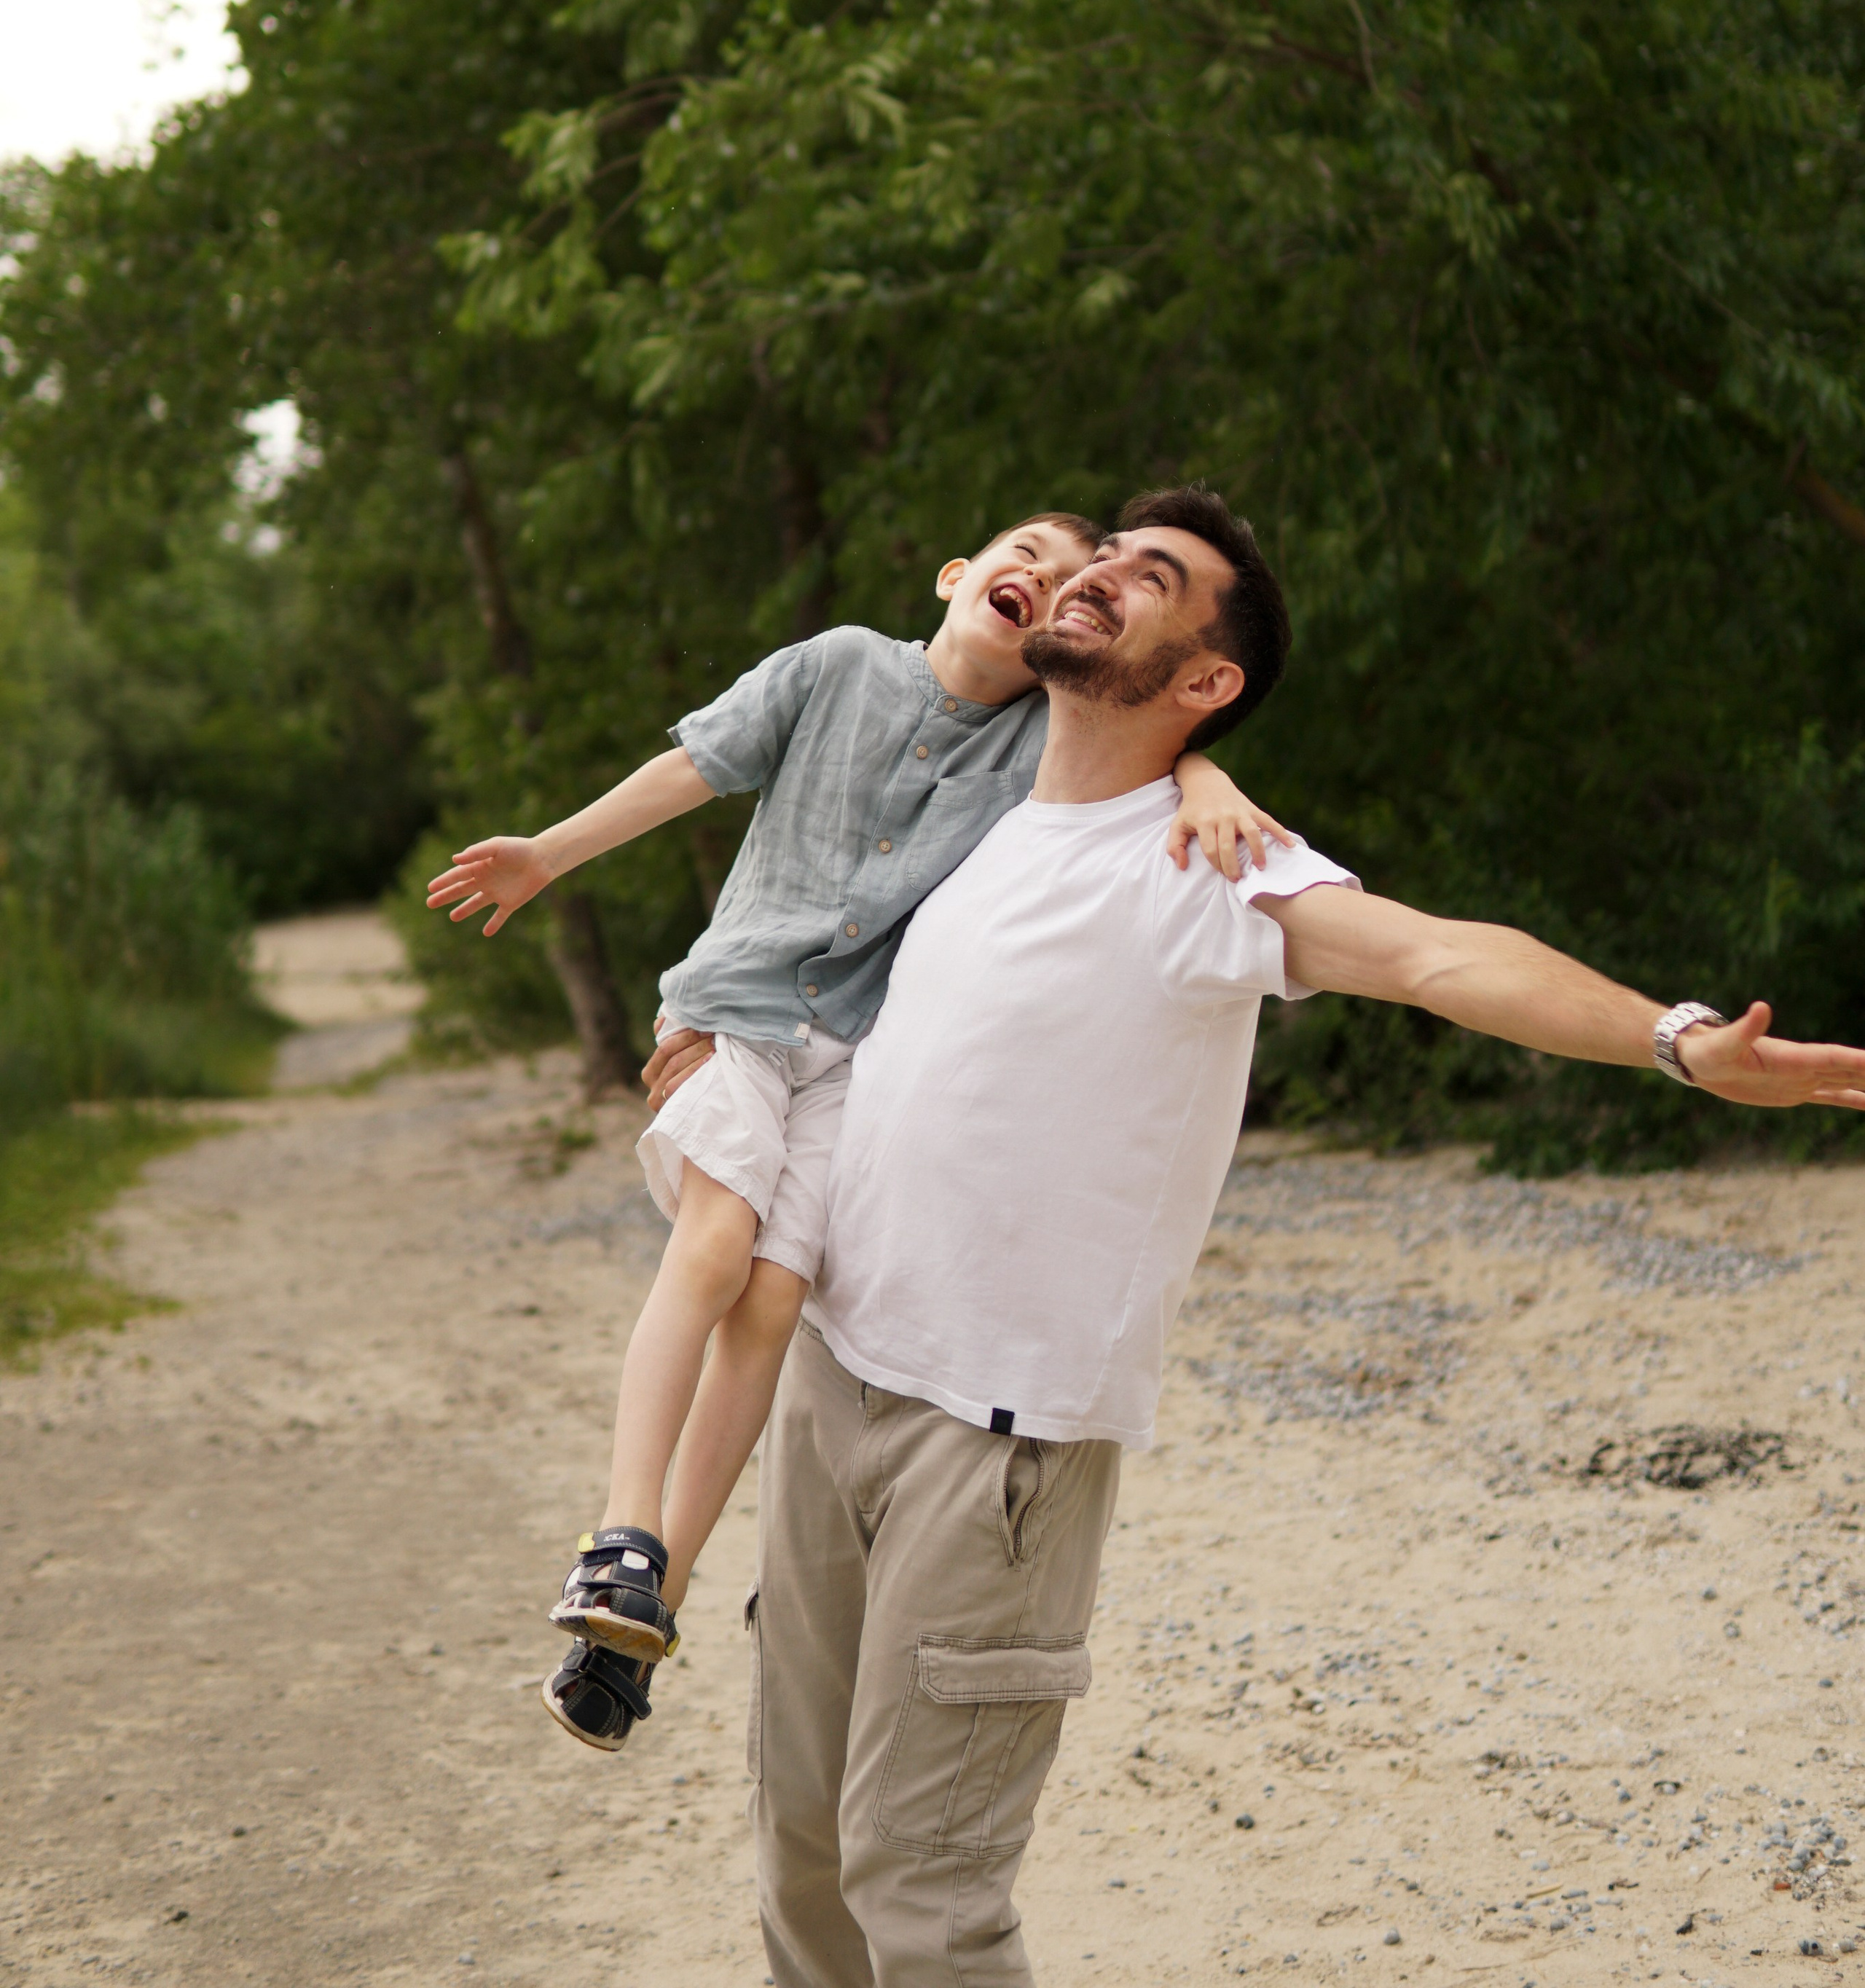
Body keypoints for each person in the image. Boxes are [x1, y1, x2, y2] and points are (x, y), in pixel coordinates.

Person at [644, 481, 1865, 1988]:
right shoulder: (975, 812)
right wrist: (713, 1040)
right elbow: (806, 941)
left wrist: (1674, 1040)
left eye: (1143, 578)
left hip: (996, 1439)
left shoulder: (1209, 870)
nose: (1092, 577)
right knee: (803, 1856)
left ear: (1206, 679)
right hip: (830, 1381)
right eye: (1096, 558)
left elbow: (1436, 957)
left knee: (924, 1889)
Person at [423, 510, 1289, 1750]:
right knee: (720, 1251)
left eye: (1065, 579)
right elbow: (696, 769)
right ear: (957, 574)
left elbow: (1158, 748)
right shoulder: (835, 664)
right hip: (732, 1021)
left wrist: (1210, 777)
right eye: (1023, 553)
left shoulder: (1036, 744)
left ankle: (643, 1623)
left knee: (776, 1302)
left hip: (844, 1065)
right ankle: (622, 1535)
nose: (1042, 578)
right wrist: (546, 859)